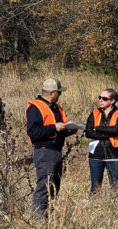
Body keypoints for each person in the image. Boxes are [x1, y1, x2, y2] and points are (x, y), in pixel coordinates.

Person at [25, 78, 77, 214]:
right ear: (52, 93)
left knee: (54, 187)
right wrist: (54, 127)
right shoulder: (35, 107)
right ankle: (37, 219)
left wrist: (70, 130)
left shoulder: (56, 108)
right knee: (44, 186)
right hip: (44, 151)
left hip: (56, 151)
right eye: (59, 92)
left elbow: (58, 130)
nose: (60, 95)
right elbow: (33, 132)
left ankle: (49, 217)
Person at [85, 88, 118, 192]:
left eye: (104, 98)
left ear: (112, 101)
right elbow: (88, 132)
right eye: (99, 97)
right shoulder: (95, 112)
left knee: (115, 187)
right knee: (95, 188)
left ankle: (115, 207)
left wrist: (98, 128)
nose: (100, 100)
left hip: (114, 154)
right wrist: (107, 134)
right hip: (95, 154)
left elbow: (116, 130)